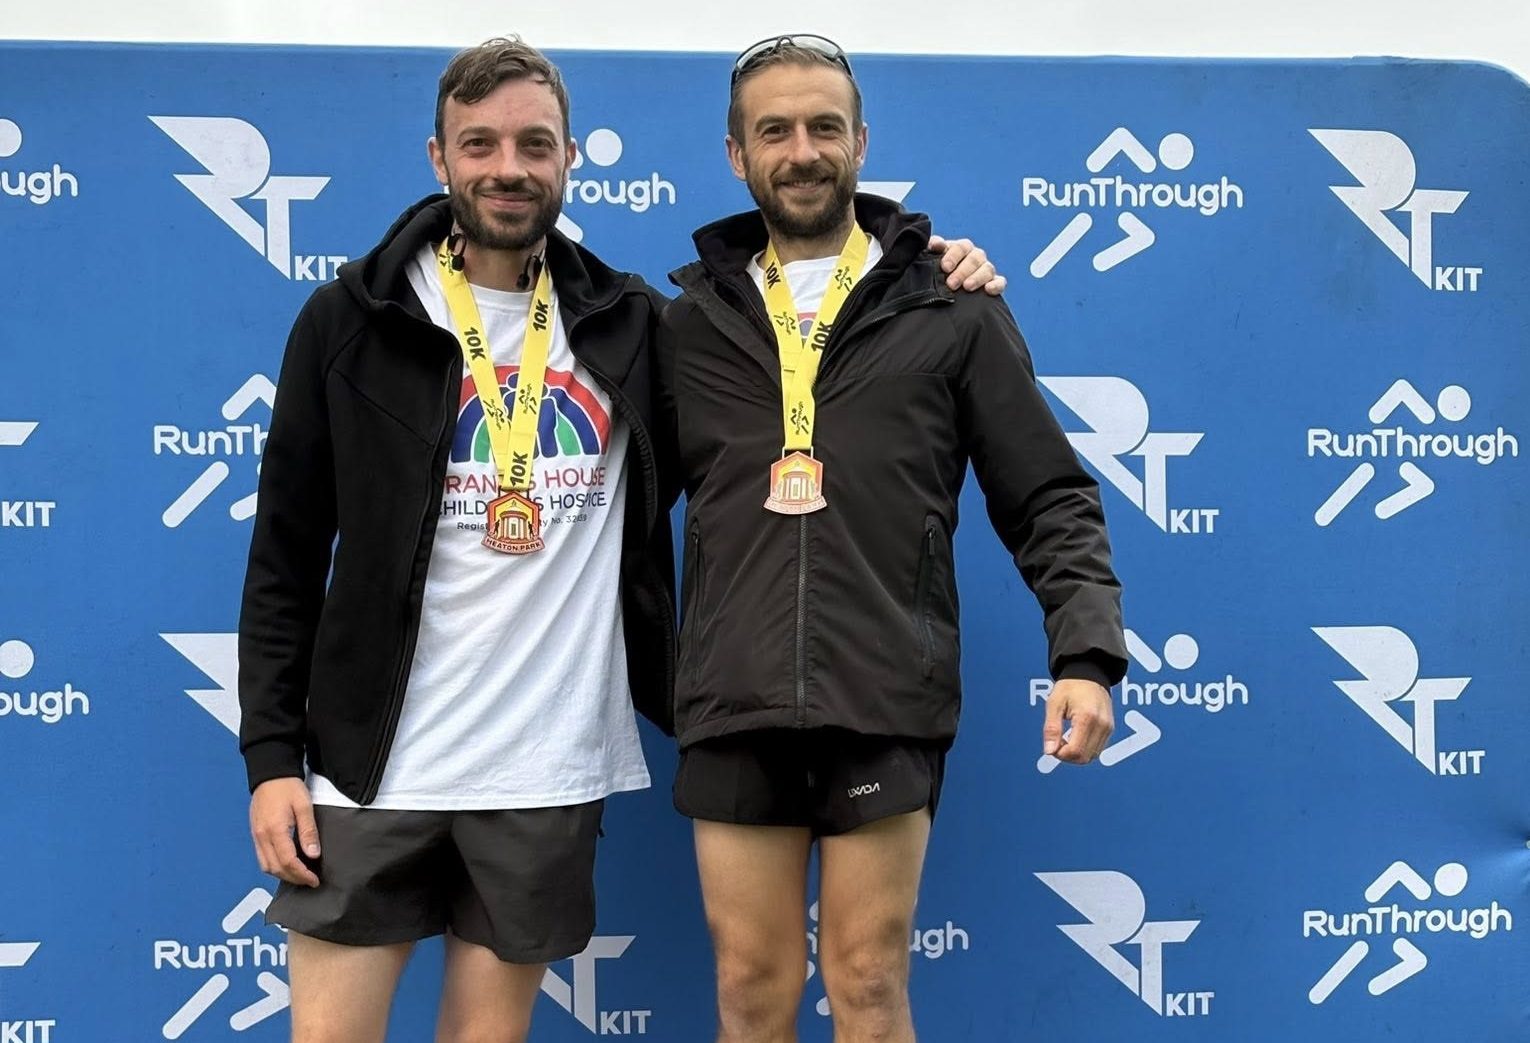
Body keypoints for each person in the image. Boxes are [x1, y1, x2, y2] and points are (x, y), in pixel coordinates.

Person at [237, 36, 1004, 1043]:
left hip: (543, 765)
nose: (507, 167)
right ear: (439, 158)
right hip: (367, 764)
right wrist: (271, 759)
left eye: (534, 144)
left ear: (568, 161)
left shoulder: (634, 323)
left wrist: (938, 262)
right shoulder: (349, 319)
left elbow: (779, 394)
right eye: (480, 144)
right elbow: (286, 554)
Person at [658, 34, 1130, 1043]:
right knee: (749, 987)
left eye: (824, 126)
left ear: (861, 141)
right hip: (734, 698)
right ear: (736, 156)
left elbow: (1049, 493)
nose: (802, 149)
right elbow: (606, 504)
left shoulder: (950, 307)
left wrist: (1085, 653)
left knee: (869, 982)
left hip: (883, 694)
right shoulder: (685, 325)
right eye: (773, 130)